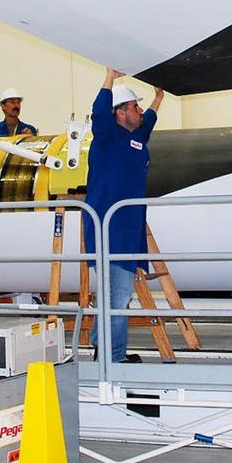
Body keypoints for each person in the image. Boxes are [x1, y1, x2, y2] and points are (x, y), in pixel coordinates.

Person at [83, 69, 164, 363]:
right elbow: (99, 113)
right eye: (134, 107)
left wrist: (158, 98)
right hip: (110, 232)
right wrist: (108, 79)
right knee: (117, 298)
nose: (139, 112)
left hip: (128, 232)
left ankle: (102, 349)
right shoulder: (107, 137)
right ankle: (111, 358)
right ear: (119, 113)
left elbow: (149, 122)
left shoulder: (135, 139)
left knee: (114, 296)